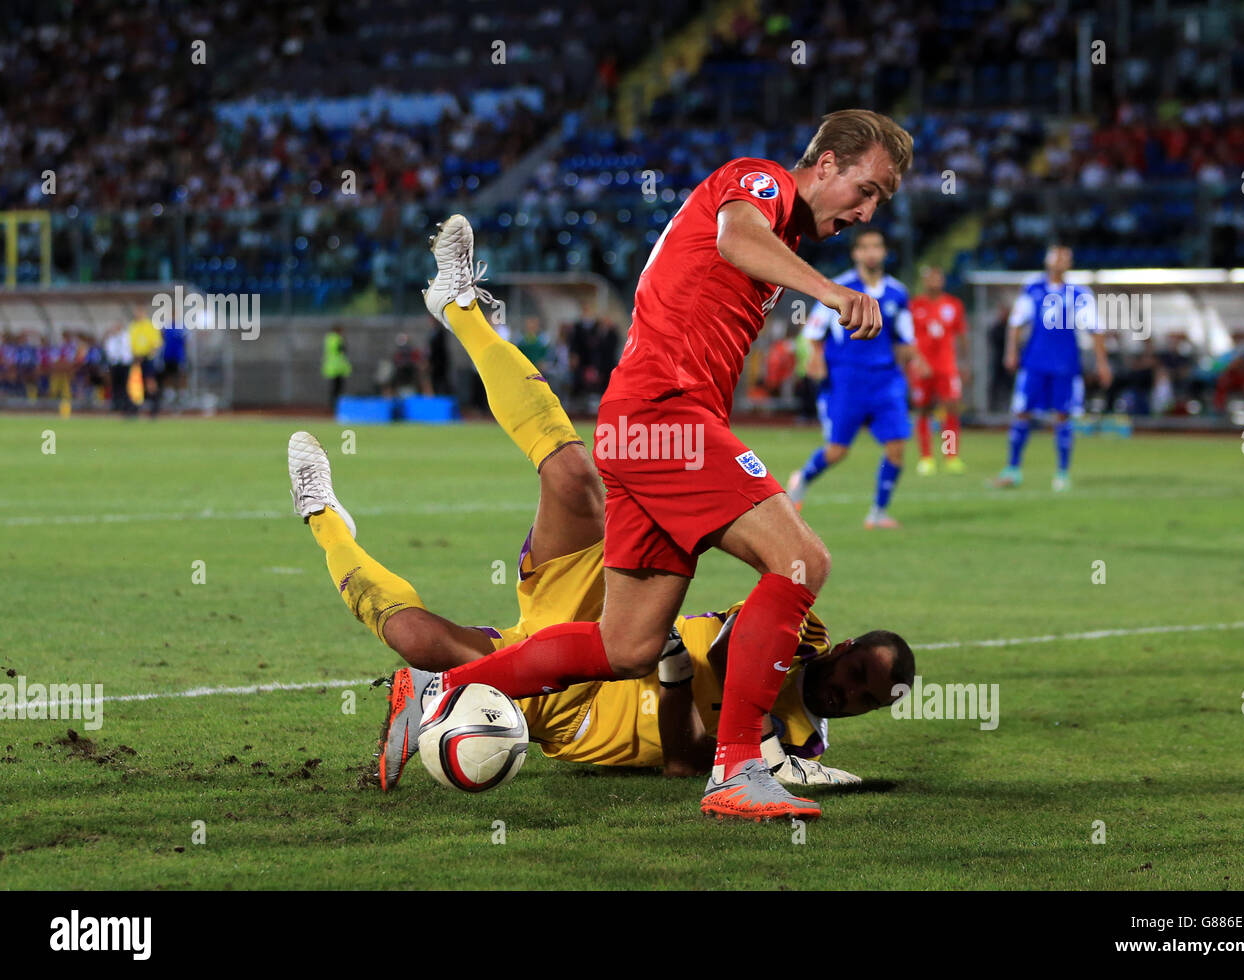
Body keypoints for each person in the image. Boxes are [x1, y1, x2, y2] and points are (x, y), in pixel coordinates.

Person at [402, 108, 912, 821]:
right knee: (801, 563)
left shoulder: (780, 230)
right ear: (825, 164)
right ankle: (736, 768)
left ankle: (443, 689)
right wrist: (830, 293)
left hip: (644, 424)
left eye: (879, 203)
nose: (865, 212)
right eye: (868, 190)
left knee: (628, 645)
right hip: (666, 416)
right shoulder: (759, 183)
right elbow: (736, 236)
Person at [286, 325, 914, 790]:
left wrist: (673, 676)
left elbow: (683, 763)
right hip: (605, 620)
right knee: (571, 478)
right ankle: (462, 308)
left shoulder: (804, 746)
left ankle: (324, 521)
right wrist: (762, 738)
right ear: (845, 648)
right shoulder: (802, 628)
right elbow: (726, 651)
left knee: (417, 640)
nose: (846, 693)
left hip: (574, 713)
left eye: (865, 699)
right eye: (857, 674)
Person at [785, 228, 923, 529]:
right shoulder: (839, 289)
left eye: (877, 246)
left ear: (884, 252)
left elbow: (904, 337)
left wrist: (916, 360)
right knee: (837, 451)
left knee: (897, 445)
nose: (872, 252)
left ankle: (878, 512)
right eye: (866, 247)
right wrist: (814, 361)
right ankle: (803, 478)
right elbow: (812, 334)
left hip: (886, 380)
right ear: (856, 254)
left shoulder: (898, 293)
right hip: (847, 379)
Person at [993, 244, 1111, 492]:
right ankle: (1013, 469)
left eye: (1064, 257)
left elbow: (1096, 328)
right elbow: (1016, 322)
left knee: (1063, 415)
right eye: (1056, 256)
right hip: (1034, 362)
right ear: (1047, 260)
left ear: (1070, 263)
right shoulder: (1033, 288)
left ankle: (1062, 473)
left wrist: (1102, 362)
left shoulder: (1079, 293)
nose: (1059, 261)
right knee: (1022, 412)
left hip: (1065, 365)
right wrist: (1011, 351)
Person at [909, 265, 971, 475]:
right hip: (922, 368)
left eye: (939, 277)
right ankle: (926, 458)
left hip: (947, 367)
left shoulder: (953, 305)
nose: (935, 281)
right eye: (931, 278)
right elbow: (907, 338)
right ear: (924, 281)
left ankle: (950, 456)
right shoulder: (914, 305)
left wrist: (964, 363)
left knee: (950, 410)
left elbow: (961, 336)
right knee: (924, 410)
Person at [322, 325, 351, 413]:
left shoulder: (328, 338)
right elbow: (341, 350)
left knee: (334, 389)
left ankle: (333, 406)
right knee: (338, 389)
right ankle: (336, 407)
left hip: (332, 367)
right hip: (337, 368)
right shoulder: (337, 338)